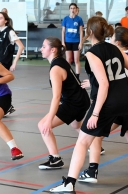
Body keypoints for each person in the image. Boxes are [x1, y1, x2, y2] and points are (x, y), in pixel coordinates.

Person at [50, 16, 128, 193]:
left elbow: (104, 84)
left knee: (82, 142)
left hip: (108, 102)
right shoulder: (116, 48)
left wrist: (95, 113)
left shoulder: (92, 53)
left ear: (90, 32)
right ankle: (90, 171)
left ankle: (69, 184)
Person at [76, 26, 128, 184]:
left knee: (95, 135)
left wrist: (95, 109)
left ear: (118, 42)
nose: (110, 40)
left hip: (113, 102)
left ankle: (92, 170)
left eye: (113, 38)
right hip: (126, 100)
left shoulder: (115, 53)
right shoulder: (118, 52)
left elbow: (106, 82)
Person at [37, 37, 90, 170]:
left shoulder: (55, 69)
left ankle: (55, 159)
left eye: (44, 46)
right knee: (76, 124)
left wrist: (49, 120)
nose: (40, 49)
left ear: (53, 50)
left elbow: (56, 97)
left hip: (74, 103)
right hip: (82, 99)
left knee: (43, 125)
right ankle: (95, 145)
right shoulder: (60, 61)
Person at [0, 12, 25, 116]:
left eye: (0, 18)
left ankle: (4, 105)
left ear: (5, 20)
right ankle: (6, 106)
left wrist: (14, 63)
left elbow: (21, 47)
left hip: (5, 62)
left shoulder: (10, 32)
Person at [61, 3, 84, 79]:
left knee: (76, 60)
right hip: (67, 41)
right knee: (68, 60)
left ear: (76, 9)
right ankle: (68, 75)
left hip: (76, 41)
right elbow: (63, 31)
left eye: (74, 8)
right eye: (71, 8)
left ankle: (77, 76)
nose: (72, 10)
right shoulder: (65, 19)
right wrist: (63, 42)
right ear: (69, 9)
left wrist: (81, 42)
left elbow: (81, 32)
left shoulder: (79, 19)